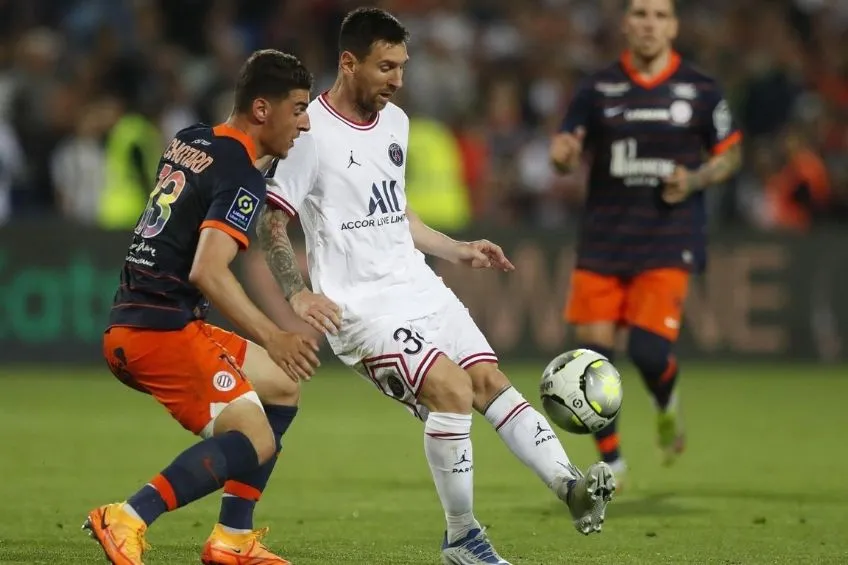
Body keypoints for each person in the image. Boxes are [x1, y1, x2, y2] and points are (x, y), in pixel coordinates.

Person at [258, 8, 615, 565]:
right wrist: (297, 293)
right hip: (363, 310)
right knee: (450, 391)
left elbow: (396, 212)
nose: (398, 79)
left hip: (419, 287)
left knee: (487, 381)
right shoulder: (309, 133)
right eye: (385, 66)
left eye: (402, 65)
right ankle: (462, 537)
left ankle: (570, 485)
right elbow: (272, 221)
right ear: (348, 63)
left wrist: (458, 249)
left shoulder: (395, 123)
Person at [83, 49, 318, 565]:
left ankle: (231, 539)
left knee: (281, 388)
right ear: (262, 109)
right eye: (298, 109)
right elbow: (207, 272)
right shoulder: (242, 175)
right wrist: (274, 334)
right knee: (254, 438)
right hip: (157, 332)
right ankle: (128, 516)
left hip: (141, 316)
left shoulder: (191, 138)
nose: (303, 124)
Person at [550, 0, 743, 484]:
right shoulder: (597, 87)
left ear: (674, 25)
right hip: (603, 239)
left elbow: (731, 154)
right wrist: (563, 155)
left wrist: (697, 179)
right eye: (640, 13)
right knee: (594, 359)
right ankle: (612, 462)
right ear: (625, 24)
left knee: (649, 352)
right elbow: (562, 151)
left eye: (659, 14)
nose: (649, 23)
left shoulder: (700, 89)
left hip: (667, 237)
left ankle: (666, 401)